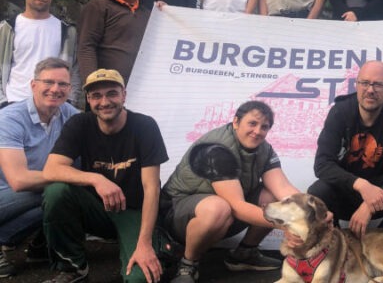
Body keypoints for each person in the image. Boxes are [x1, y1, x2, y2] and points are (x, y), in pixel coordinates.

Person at [41, 69, 169, 283]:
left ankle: (156, 247)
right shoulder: (80, 124)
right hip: (97, 209)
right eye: (96, 96)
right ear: (89, 100)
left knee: (140, 278)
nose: (105, 102)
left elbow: (152, 188)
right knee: (56, 192)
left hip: (134, 211)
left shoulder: (145, 126)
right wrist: (96, 179)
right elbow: (51, 169)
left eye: (112, 93)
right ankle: (74, 268)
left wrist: (144, 243)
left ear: (124, 96)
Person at [162, 101, 300, 283]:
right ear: (236, 122)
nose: (257, 131)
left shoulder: (264, 148)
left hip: (225, 211)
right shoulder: (216, 149)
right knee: (219, 208)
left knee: (274, 199)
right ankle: (188, 264)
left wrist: (315, 212)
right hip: (176, 213)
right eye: (252, 123)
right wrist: (289, 225)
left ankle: (244, 254)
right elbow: (238, 207)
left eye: (264, 127)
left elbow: (282, 188)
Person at [309, 61, 383, 237]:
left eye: (378, 84)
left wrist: (369, 203)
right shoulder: (340, 112)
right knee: (318, 192)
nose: (370, 90)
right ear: (357, 84)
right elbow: (322, 164)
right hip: (348, 190)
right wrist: (361, 185)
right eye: (365, 83)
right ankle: (336, 243)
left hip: (381, 195)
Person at [0, 58, 79, 278]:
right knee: (62, 191)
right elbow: (18, 180)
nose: (55, 89)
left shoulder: (70, 115)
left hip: (33, 191)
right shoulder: (9, 119)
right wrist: (80, 178)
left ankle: (38, 246)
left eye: (62, 84)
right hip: (5, 192)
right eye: (48, 82)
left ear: (70, 89)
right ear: (33, 85)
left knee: (62, 194)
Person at [0, 0, 80, 108]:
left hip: (54, 106)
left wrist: (69, 101)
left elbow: (75, 70)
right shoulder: (6, 29)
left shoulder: (67, 31)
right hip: (14, 103)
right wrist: (2, 102)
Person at [78, 0, 150, 85]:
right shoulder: (98, 6)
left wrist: (163, 13)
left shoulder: (148, 14)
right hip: (106, 88)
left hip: (137, 90)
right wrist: (92, 84)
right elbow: (86, 48)